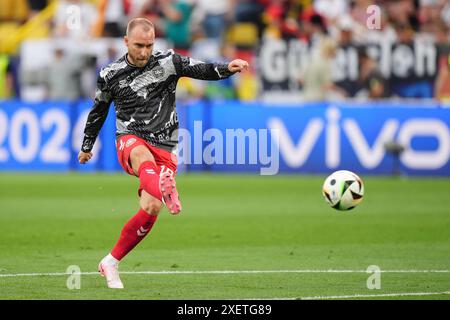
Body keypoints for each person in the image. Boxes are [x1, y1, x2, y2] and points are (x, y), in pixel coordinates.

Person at [77, 17, 249, 289]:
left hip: (165, 144)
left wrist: (228, 67)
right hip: (130, 138)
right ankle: (163, 185)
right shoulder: (110, 73)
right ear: (125, 42)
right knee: (141, 157)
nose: (144, 51)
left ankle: (110, 261)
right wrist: (87, 145)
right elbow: (99, 109)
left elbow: (202, 68)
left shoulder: (168, 62)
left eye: (149, 45)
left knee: (151, 206)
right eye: (138, 45)